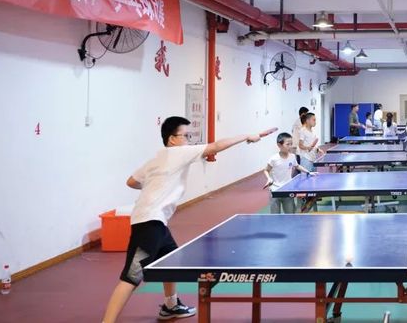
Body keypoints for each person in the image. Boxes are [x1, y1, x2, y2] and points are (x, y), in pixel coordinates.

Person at [102, 117, 277, 323]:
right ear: (172, 139)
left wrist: (154, 186)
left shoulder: (156, 159)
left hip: (156, 222)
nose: (188, 140)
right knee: (131, 277)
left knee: (170, 262)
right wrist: (247, 136)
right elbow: (216, 146)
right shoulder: (178, 152)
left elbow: (131, 181)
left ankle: (170, 305)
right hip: (149, 224)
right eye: (185, 136)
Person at [263, 132, 316, 214]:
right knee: (274, 217)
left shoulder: (292, 156)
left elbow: (297, 166)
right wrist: (269, 178)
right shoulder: (273, 159)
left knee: (290, 215)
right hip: (274, 190)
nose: (290, 146)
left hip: (287, 190)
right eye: (287, 144)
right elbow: (266, 170)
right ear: (279, 145)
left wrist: (308, 172)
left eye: (291, 144)